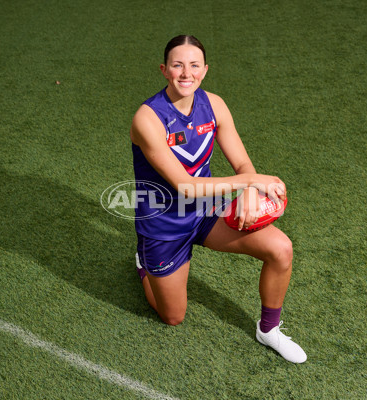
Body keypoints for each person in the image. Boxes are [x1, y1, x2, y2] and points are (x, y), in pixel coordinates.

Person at [130, 35, 307, 363]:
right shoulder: (148, 119)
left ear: (205, 70)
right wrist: (252, 181)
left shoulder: (214, 105)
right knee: (173, 317)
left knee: (281, 249)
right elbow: (185, 186)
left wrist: (251, 191)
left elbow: (242, 163)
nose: (186, 73)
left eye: (194, 65)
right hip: (163, 223)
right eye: (178, 65)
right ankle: (144, 265)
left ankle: (268, 330)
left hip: (206, 211)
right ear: (164, 70)